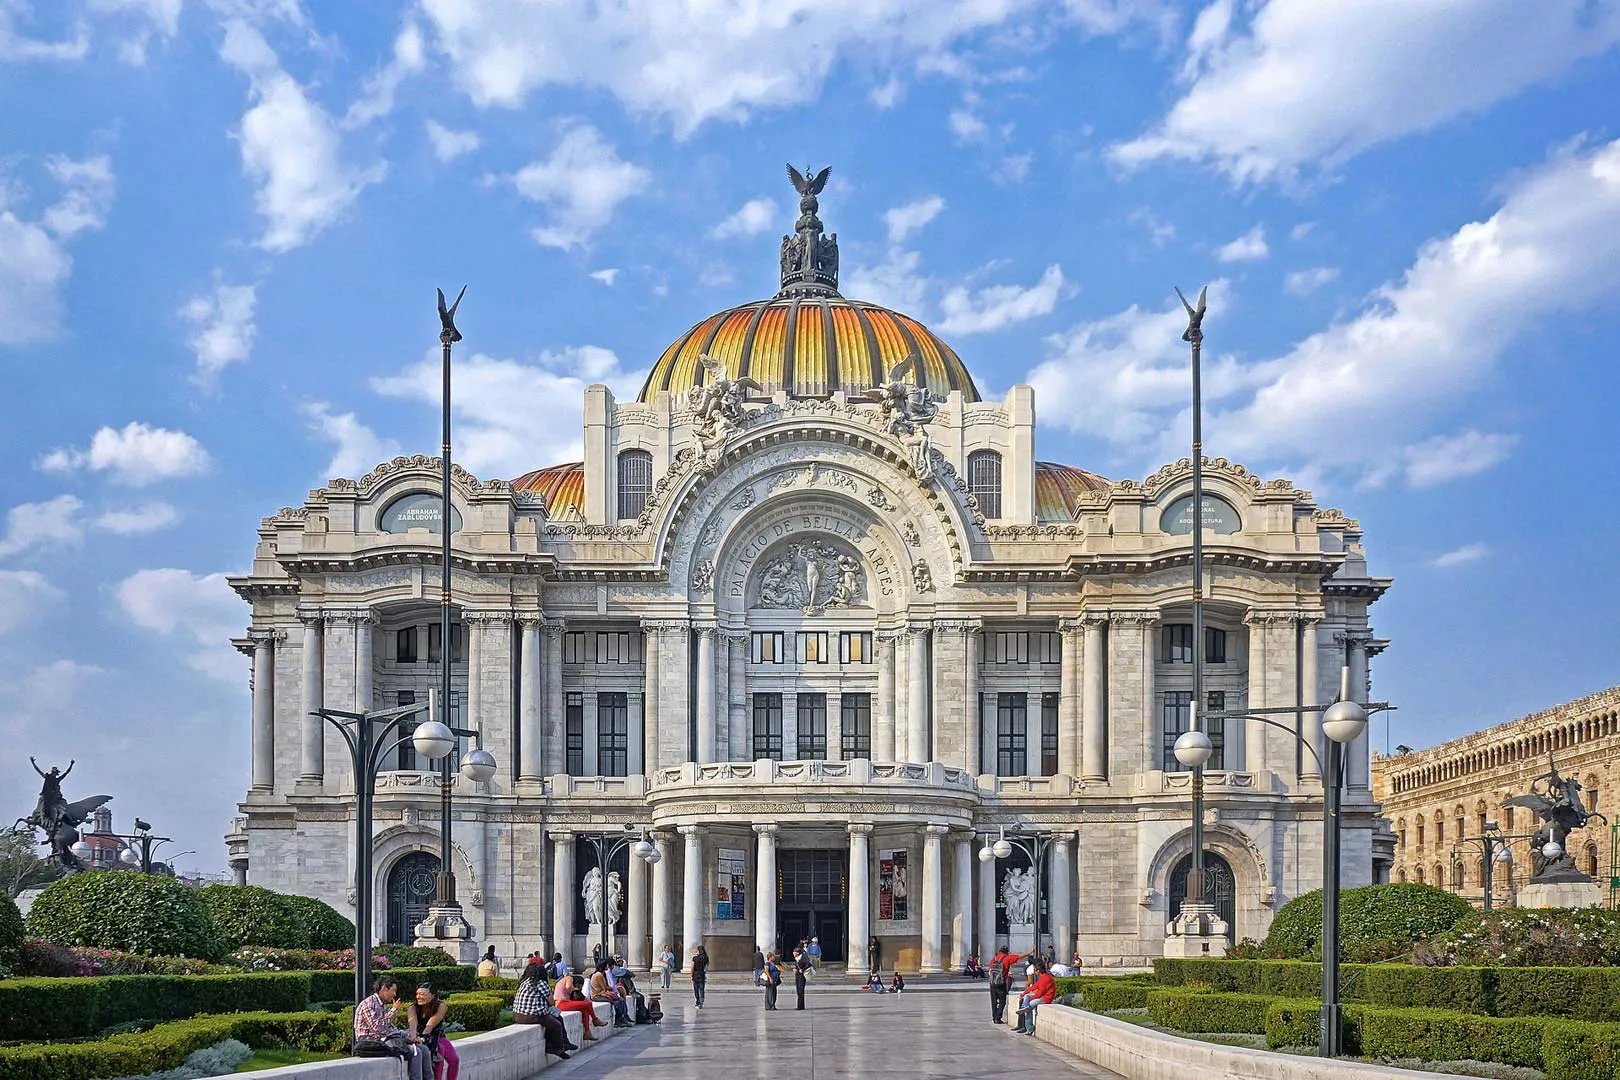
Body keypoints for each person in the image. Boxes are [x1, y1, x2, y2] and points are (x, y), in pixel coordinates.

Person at [353, 975, 430, 1080]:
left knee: (424, 1049)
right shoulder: (369, 1003)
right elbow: (377, 1028)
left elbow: (389, 1028)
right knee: (415, 1052)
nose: (394, 995)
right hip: (372, 1042)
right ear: (384, 988)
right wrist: (393, 1011)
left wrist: (409, 1036)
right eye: (393, 991)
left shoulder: (381, 1004)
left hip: (384, 1039)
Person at [513, 959, 577, 1059]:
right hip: (533, 1016)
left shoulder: (524, 982)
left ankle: (564, 1044)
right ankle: (558, 1049)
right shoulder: (540, 983)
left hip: (518, 1015)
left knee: (557, 1018)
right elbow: (551, 1002)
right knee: (557, 1025)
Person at [408, 983, 458, 1080]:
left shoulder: (441, 1005)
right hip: (420, 1037)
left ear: (433, 995)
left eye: (422, 994)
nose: (419, 997)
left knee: (454, 1060)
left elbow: (430, 1026)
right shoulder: (412, 1008)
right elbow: (412, 1025)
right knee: (440, 1053)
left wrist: (424, 1037)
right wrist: (414, 1037)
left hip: (437, 1036)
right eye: (417, 994)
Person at [552, 966, 598, 1042]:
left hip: (563, 1003)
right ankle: (595, 1020)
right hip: (561, 1003)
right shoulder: (569, 978)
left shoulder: (562, 981)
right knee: (588, 1004)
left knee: (585, 1011)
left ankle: (587, 1033)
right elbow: (568, 987)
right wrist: (575, 989)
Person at [1014, 959, 1056, 1036]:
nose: (1034, 972)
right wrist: (1024, 993)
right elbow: (1034, 986)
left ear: (1038, 971)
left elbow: (1040, 993)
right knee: (1027, 997)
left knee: (1030, 1004)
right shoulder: (1043, 977)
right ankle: (1024, 1007)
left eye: (1035, 970)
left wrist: (1031, 998)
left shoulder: (1046, 978)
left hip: (1046, 998)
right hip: (1042, 997)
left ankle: (1029, 1028)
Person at [589, 961, 632, 1027]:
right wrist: (612, 989)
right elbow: (604, 988)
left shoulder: (600, 974)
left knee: (621, 1000)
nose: (608, 967)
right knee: (616, 1002)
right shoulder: (599, 975)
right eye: (606, 965)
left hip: (601, 993)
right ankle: (618, 1020)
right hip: (597, 996)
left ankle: (623, 1018)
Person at [988, 946, 1024, 1024]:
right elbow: (1019, 956)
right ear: (1007, 952)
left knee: (994, 1001)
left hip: (992, 983)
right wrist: (1030, 951)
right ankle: (998, 1017)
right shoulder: (1007, 958)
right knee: (1002, 1001)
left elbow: (990, 970)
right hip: (1001, 982)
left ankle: (994, 1018)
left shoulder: (994, 959)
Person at [691, 944, 710, 1009]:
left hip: (696, 975)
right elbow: (707, 966)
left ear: (698, 951)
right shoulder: (706, 958)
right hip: (702, 974)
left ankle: (698, 1001)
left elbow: (692, 967)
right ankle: (701, 1000)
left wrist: (691, 975)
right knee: (701, 989)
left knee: (696, 989)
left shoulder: (695, 958)